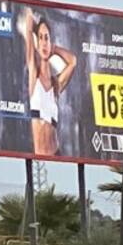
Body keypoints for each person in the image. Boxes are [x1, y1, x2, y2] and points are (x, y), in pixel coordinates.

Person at [23, 9, 77, 157]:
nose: (44, 42)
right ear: (37, 42)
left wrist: (55, 49)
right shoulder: (34, 74)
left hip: (56, 153)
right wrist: (35, 22)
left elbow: (72, 62)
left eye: (46, 37)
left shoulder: (56, 85)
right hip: (39, 153)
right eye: (40, 38)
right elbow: (28, 20)